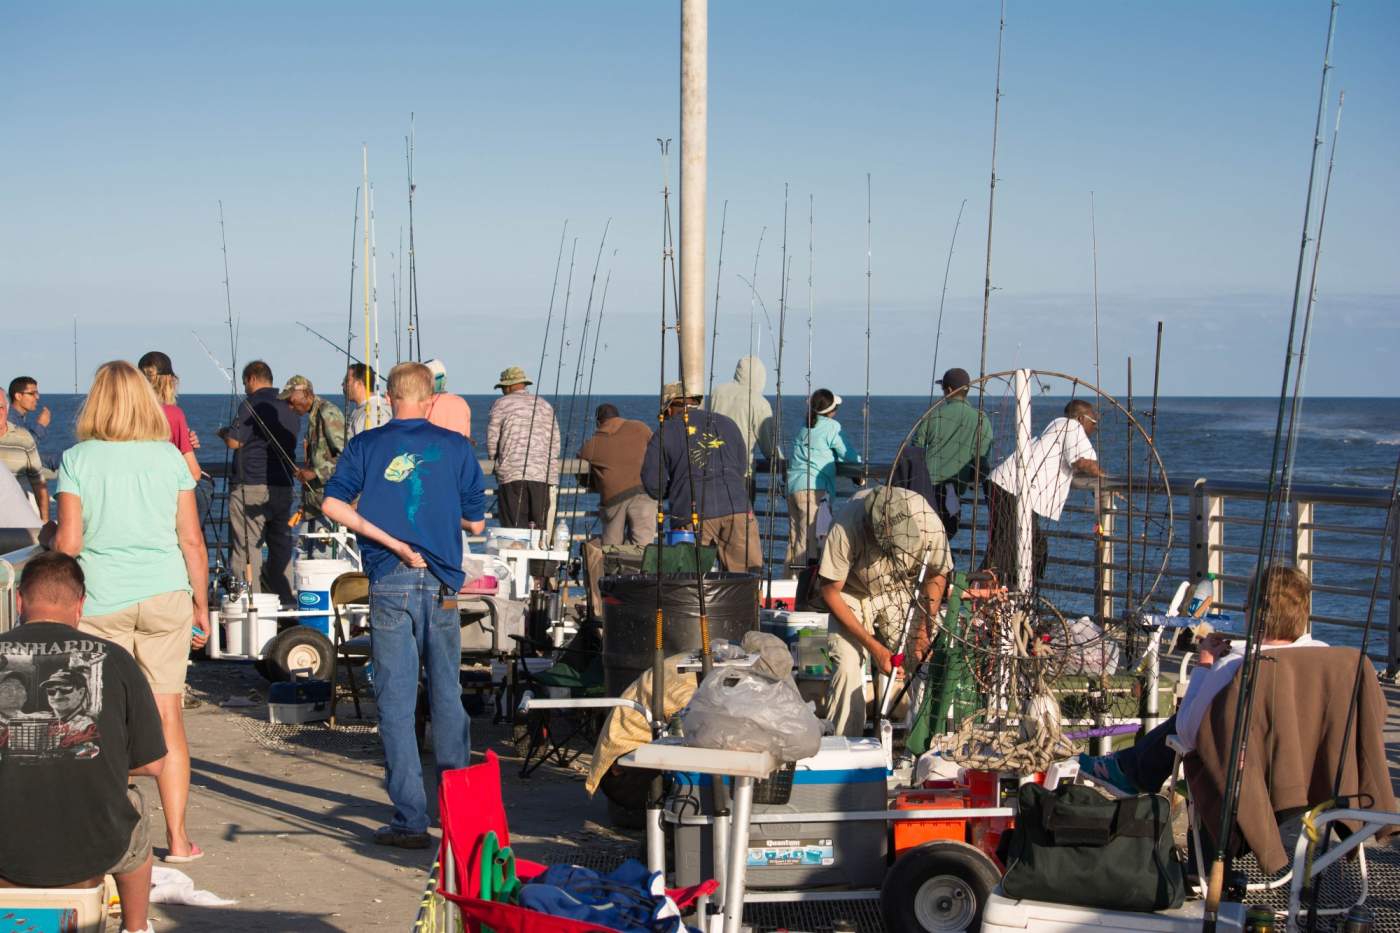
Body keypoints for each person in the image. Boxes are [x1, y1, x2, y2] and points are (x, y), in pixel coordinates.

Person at [322, 362, 487, 848]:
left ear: (390, 397)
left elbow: (333, 503)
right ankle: (458, 816)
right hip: (441, 583)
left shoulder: (365, 445)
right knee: (447, 696)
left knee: (395, 702)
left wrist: (389, 539)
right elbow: (476, 523)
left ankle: (410, 819)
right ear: (431, 400)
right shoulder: (456, 448)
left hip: (389, 580)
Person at [51, 360, 208, 865]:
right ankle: (180, 840)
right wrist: (201, 604)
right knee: (168, 716)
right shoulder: (168, 458)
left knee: (101, 718)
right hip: (166, 594)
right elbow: (191, 539)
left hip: (101, 600)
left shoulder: (77, 459)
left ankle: (107, 833)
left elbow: (69, 542)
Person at [0, 552, 168, 933]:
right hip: (90, 853)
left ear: (21, 601)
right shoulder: (118, 660)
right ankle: (136, 927)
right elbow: (153, 764)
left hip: (5, 859)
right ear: (80, 604)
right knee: (133, 804)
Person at [1078, 566, 1325, 796]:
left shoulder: (1236, 665)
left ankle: (1129, 772)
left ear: (1255, 614)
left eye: (1246, 606)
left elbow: (1187, 732)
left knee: (1183, 724)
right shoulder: (1323, 656)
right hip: (1308, 775)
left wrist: (1206, 664)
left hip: (1243, 780)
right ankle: (1126, 767)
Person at [816, 485, 952, 737]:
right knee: (846, 667)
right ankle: (846, 746)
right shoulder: (845, 527)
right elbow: (830, 591)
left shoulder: (927, 519)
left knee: (922, 660)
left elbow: (937, 573)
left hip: (900, 588)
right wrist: (874, 648)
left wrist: (924, 628)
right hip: (851, 591)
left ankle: (925, 742)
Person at [984, 398, 1105, 587]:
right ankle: (973, 598)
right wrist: (1104, 479)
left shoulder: (1058, 426)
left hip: (1006, 486)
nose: (1095, 428)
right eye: (1094, 423)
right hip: (1013, 489)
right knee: (1006, 551)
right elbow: (1081, 462)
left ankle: (1017, 595)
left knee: (1033, 547)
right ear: (1082, 419)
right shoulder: (1072, 427)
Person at [642, 383, 761, 573]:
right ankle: (750, 603)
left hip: (691, 513)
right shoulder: (728, 423)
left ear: (670, 408)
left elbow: (652, 483)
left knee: (687, 581)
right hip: (738, 508)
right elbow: (740, 467)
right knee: (746, 579)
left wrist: (674, 491)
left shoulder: (665, 431)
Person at [217, 360, 299, 605]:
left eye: (245, 383)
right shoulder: (289, 406)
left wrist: (223, 433)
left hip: (250, 485)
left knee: (246, 546)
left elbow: (234, 442)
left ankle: (250, 604)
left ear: (252, 378)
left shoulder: (250, 404)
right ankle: (284, 602)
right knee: (281, 547)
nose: (244, 388)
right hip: (283, 485)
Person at [910, 367, 992, 538]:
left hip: (925, 487)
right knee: (947, 534)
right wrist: (973, 480)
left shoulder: (933, 415)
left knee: (922, 536)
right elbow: (982, 459)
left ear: (948, 390)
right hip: (953, 490)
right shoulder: (980, 419)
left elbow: (915, 447)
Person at [786, 389, 861, 574]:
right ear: (831, 410)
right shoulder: (831, 427)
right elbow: (847, 453)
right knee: (809, 541)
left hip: (794, 488)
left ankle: (787, 582)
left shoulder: (804, 426)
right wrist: (859, 470)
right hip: (814, 489)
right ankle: (802, 588)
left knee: (795, 539)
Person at [486, 366, 560, 531]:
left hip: (512, 474)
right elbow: (555, 444)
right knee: (541, 531)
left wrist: (495, 460)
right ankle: (540, 558)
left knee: (515, 531)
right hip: (543, 475)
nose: (502, 391)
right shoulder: (545, 405)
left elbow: (492, 439)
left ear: (510, 386)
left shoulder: (501, 404)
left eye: (503, 387)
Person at [578, 403, 656, 547]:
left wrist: (597, 483)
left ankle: (615, 567)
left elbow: (581, 475)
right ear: (618, 416)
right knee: (643, 546)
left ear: (598, 422)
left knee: (612, 547)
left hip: (613, 498)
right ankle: (639, 568)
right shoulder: (641, 428)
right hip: (644, 492)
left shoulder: (592, 444)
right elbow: (656, 450)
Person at [707, 356, 781, 492]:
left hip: (712, 470)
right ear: (761, 377)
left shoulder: (717, 392)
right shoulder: (760, 403)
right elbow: (769, 447)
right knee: (743, 513)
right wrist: (780, 461)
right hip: (741, 474)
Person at [280, 375, 346, 525]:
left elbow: (346, 458)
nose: (290, 407)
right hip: (315, 506)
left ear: (306, 394)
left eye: (291, 401)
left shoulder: (327, 412)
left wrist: (315, 473)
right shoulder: (313, 416)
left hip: (332, 505)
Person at [137, 350, 202, 484]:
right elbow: (194, 474)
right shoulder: (173, 414)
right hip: (163, 493)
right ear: (171, 381)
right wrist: (186, 446)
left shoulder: (125, 414)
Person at [0, 394, 48, 524]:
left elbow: (38, 482)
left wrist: (44, 520)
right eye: (32, 393)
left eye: (1, 407)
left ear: (7, 409)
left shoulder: (23, 437)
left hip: (17, 521)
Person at [7, 376, 58, 472]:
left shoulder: (19, 419)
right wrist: (41, 425)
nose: (37, 397)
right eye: (32, 393)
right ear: (18, 396)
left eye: (37, 393)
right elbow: (22, 450)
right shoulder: (9, 420)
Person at [424, 358, 473, 438]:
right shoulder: (461, 402)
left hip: (433, 449)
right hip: (458, 449)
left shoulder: (423, 404)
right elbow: (466, 436)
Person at [343, 363, 392, 438]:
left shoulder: (373, 412)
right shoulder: (362, 409)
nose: (343, 384)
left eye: (347, 380)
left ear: (359, 383)